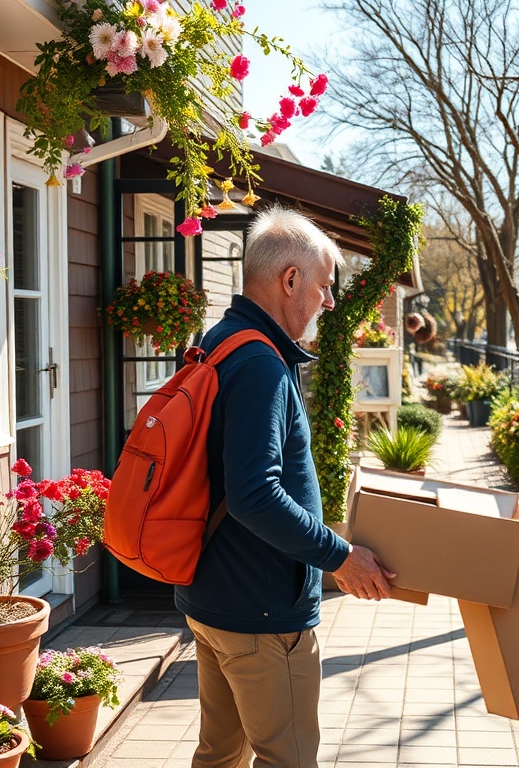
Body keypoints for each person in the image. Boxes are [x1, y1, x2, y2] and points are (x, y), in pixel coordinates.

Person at [175, 207, 396, 768]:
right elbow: (254, 493)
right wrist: (339, 557)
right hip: (264, 613)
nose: (327, 301)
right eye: (323, 286)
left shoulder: (220, 341)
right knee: (288, 758)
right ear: (289, 278)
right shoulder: (260, 365)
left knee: (219, 756)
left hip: (215, 597)